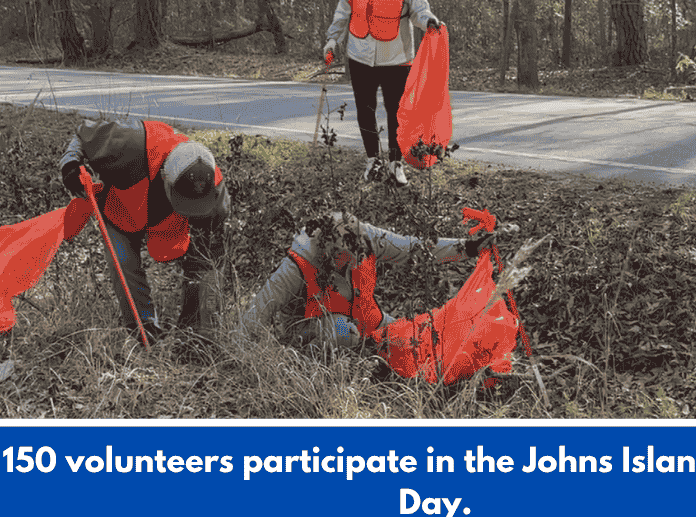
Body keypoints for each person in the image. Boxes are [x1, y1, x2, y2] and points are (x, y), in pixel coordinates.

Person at [59, 118, 231, 342]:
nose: (192, 210)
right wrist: (70, 164)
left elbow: (210, 262)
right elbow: (83, 134)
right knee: (122, 262)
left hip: (166, 222)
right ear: (166, 179)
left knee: (201, 259)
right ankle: (143, 330)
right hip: (120, 207)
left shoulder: (214, 194)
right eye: (184, 200)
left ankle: (191, 331)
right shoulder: (130, 143)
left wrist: (201, 329)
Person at [236, 211, 492, 348]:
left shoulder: (368, 237)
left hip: (362, 317)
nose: (345, 263)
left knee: (413, 338)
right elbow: (260, 308)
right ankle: (315, 362)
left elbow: (414, 248)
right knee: (344, 333)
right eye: (338, 257)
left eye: (351, 257)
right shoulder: (299, 261)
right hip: (308, 328)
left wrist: (468, 248)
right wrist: (237, 353)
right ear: (325, 247)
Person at [324, 0, 443, 186]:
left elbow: (419, 11)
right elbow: (343, 10)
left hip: (396, 59)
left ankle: (395, 163)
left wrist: (429, 22)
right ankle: (373, 161)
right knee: (365, 111)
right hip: (360, 56)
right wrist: (333, 40)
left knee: (396, 113)